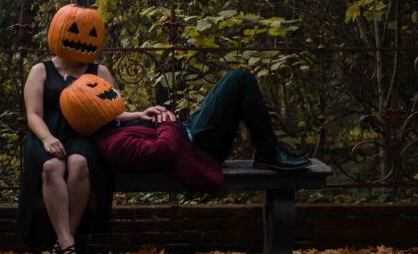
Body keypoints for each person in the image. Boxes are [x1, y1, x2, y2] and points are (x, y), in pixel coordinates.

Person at [20, 4, 161, 254]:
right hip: (47, 134)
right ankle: (70, 244)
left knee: (80, 164)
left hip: (84, 136)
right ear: (58, 31)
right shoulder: (40, 71)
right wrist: (48, 139)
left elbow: (112, 111)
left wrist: (138, 114)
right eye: (73, 30)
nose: (81, 37)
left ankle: (65, 243)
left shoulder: (99, 72)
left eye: (91, 33)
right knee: (51, 167)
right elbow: (33, 115)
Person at [59, 69, 310, 191]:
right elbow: (164, 151)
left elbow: (124, 122)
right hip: (199, 148)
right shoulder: (115, 146)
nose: (110, 93)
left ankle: (269, 150)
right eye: (101, 95)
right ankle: (268, 152)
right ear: (90, 113)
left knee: (232, 79)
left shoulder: (111, 125)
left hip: (190, 132)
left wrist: (142, 114)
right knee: (240, 79)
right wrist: (166, 121)